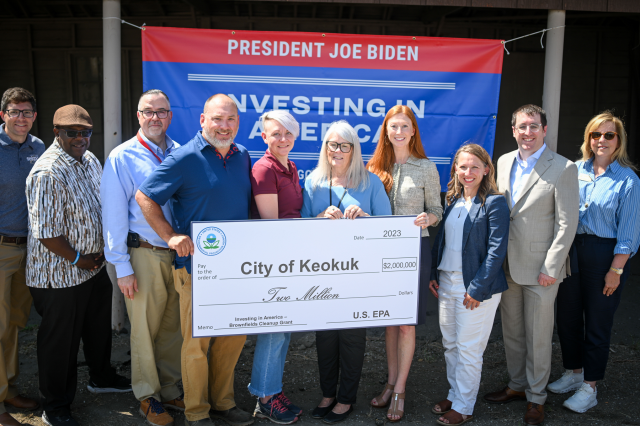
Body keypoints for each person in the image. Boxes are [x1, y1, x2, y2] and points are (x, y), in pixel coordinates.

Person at [136, 94, 254, 426]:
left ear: (238, 124)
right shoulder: (184, 157)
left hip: (237, 269)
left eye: (230, 120)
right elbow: (145, 196)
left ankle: (223, 403)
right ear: (202, 120)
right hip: (196, 269)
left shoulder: (242, 155)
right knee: (196, 345)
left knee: (232, 340)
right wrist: (170, 236)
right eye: (217, 119)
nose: (224, 126)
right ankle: (197, 412)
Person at [25, 105, 131, 426]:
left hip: (92, 267)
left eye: (85, 132)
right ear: (56, 132)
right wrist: (79, 258)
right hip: (58, 274)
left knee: (97, 328)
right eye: (72, 132)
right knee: (61, 341)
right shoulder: (47, 172)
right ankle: (55, 405)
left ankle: (100, 377)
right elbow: (46, 233)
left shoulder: (89, 159)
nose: (80, 138)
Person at [483, 104, 579, 426]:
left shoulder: (564, 168)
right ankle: (517, 386)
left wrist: (552, 267)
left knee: (539, 336)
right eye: (522, 127)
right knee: (512, 331)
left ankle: (537, 398)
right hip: (507, 265)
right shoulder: (504, 161)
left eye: (533, 126)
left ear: (545, 130)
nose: (527, 133)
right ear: (513, 130)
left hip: (542, 270)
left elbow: (567, 224)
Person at [547, 111, 640, 413]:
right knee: (567, 318)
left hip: (606, 255)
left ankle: (590, 387)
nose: (602, 140)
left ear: (618, 141)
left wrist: (616, 269)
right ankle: (574, 373)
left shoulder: (628, 180)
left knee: (598, 323)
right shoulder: (573, 170)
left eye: (609, 135)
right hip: (571, 250)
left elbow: (629, 231)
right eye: (596, 134)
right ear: (589, 138)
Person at [101, 89, 184, 425]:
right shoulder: (122, 157)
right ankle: (147, 395)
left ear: (170, 116)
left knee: (172, 327)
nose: (155, 118)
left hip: (178, 255)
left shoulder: (181, 153)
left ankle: (168, 387)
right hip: (142, 254)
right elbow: (114, 216)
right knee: (143, 330)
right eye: (148, 112)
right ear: (138, 116)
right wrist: (121, 266)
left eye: (161, 112)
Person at [301, 120, 391, 424]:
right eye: (332, 144)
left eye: (344, 145)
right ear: (325, 148)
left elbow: (388, 227)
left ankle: (346, 399)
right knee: (325, 337)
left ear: (354, 149)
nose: (337, 151)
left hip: (358, 275)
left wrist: (364, 216)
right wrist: (318, 217)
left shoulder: (370, 183)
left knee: (352, 338)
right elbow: (298, 229)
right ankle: (328, 393)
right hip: (322, 274)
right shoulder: (313, 183)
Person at [366, 105, 443, 422]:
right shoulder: (373, 167)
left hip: (415, 248)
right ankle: (389, 381)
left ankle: (400, 390)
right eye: (392, 126)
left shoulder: (426, 167)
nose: (398, 132)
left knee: (406, 323)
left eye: (404, 126)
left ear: (413, 131)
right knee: (390, 320)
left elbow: (438, 208)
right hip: (381, 251)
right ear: (386, 130)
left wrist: (430, 217)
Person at [428, 144, 510, 426]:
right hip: (447, 282)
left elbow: (497, 251)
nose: (468, 172)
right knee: (450, 344)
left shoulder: (495, 202)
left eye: (475, 166)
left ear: (486, 169)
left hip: (476, 288)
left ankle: (464, 406)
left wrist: (477, 288)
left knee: (469, 348)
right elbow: (443, 242)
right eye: (462, 166)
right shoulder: (452, 200)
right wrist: (433, 274)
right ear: (456, 170)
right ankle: (455, 393)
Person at [248, 110, 303, 425]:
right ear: (264, 137)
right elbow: (272, 225)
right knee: (273, 328)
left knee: (284, 328)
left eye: (287, 133)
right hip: (273, 260)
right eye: (275, 134)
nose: (282, 139)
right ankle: (265, 398)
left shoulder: (290, 167)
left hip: (291, 256)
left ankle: (272, 388)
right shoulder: (264, 169)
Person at [0, 87, 44, 426]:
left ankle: (9, 388)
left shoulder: (38, 147)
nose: (21, 118)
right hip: (0, 248)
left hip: (28, 249)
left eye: (27, 112)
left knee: (15, 322)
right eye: (15, 112)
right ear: (3, 115)